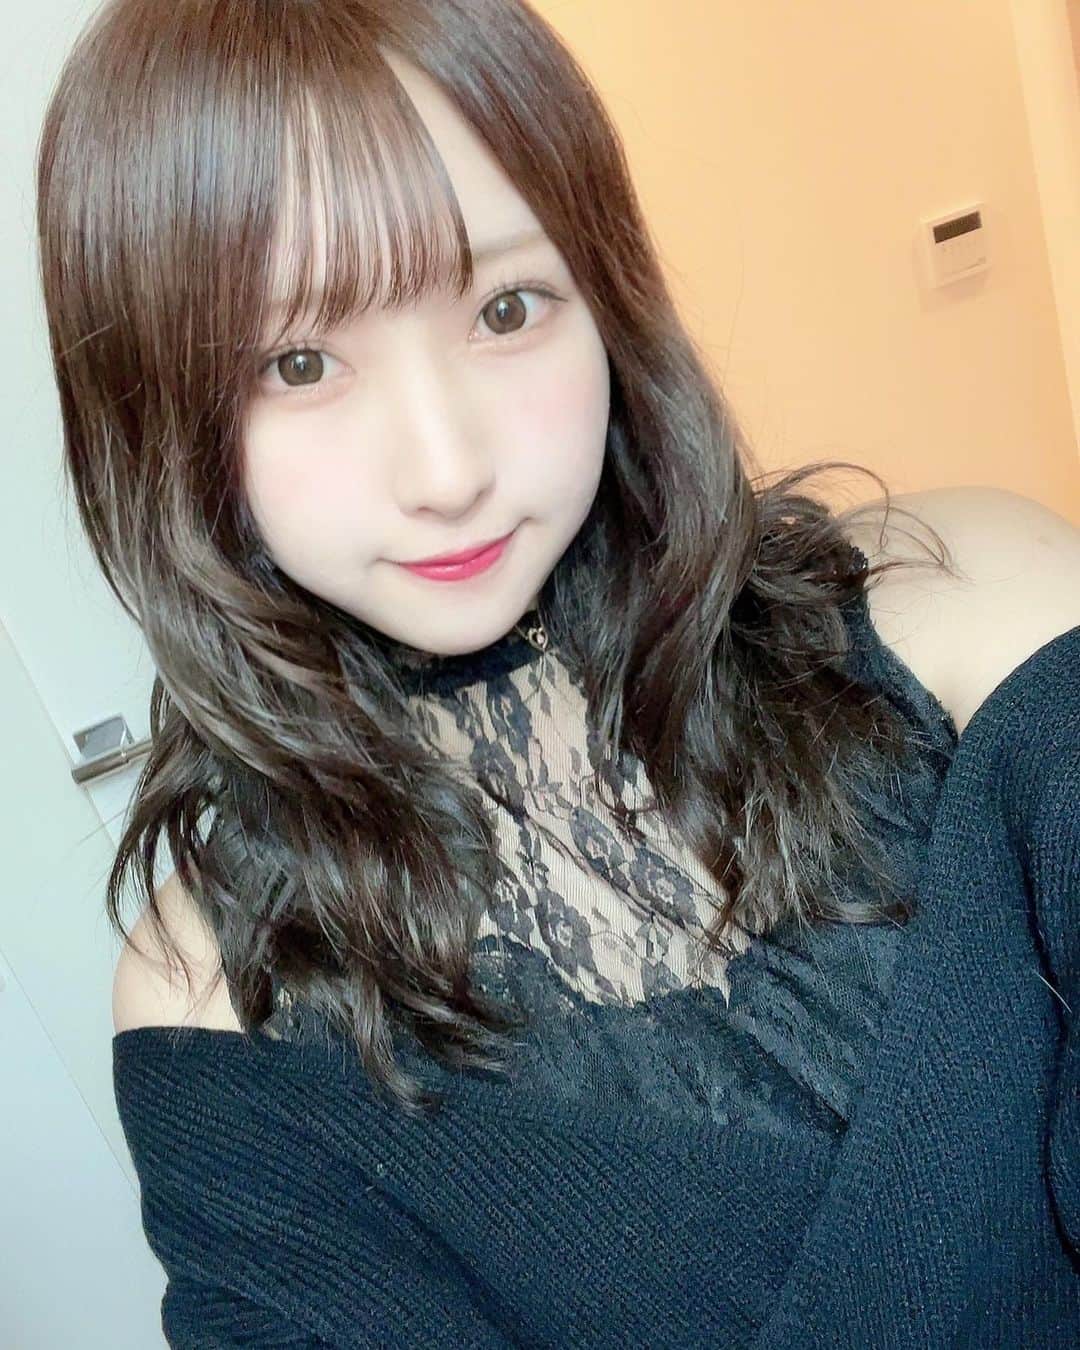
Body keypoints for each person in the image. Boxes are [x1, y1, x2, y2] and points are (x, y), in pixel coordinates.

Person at [35, 0, 1080, 1343]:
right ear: (161, 416)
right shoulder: (217, 1000)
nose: (447, 468)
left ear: (604, 291)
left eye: (506, 307)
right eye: (300, 362)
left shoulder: (972, 613)